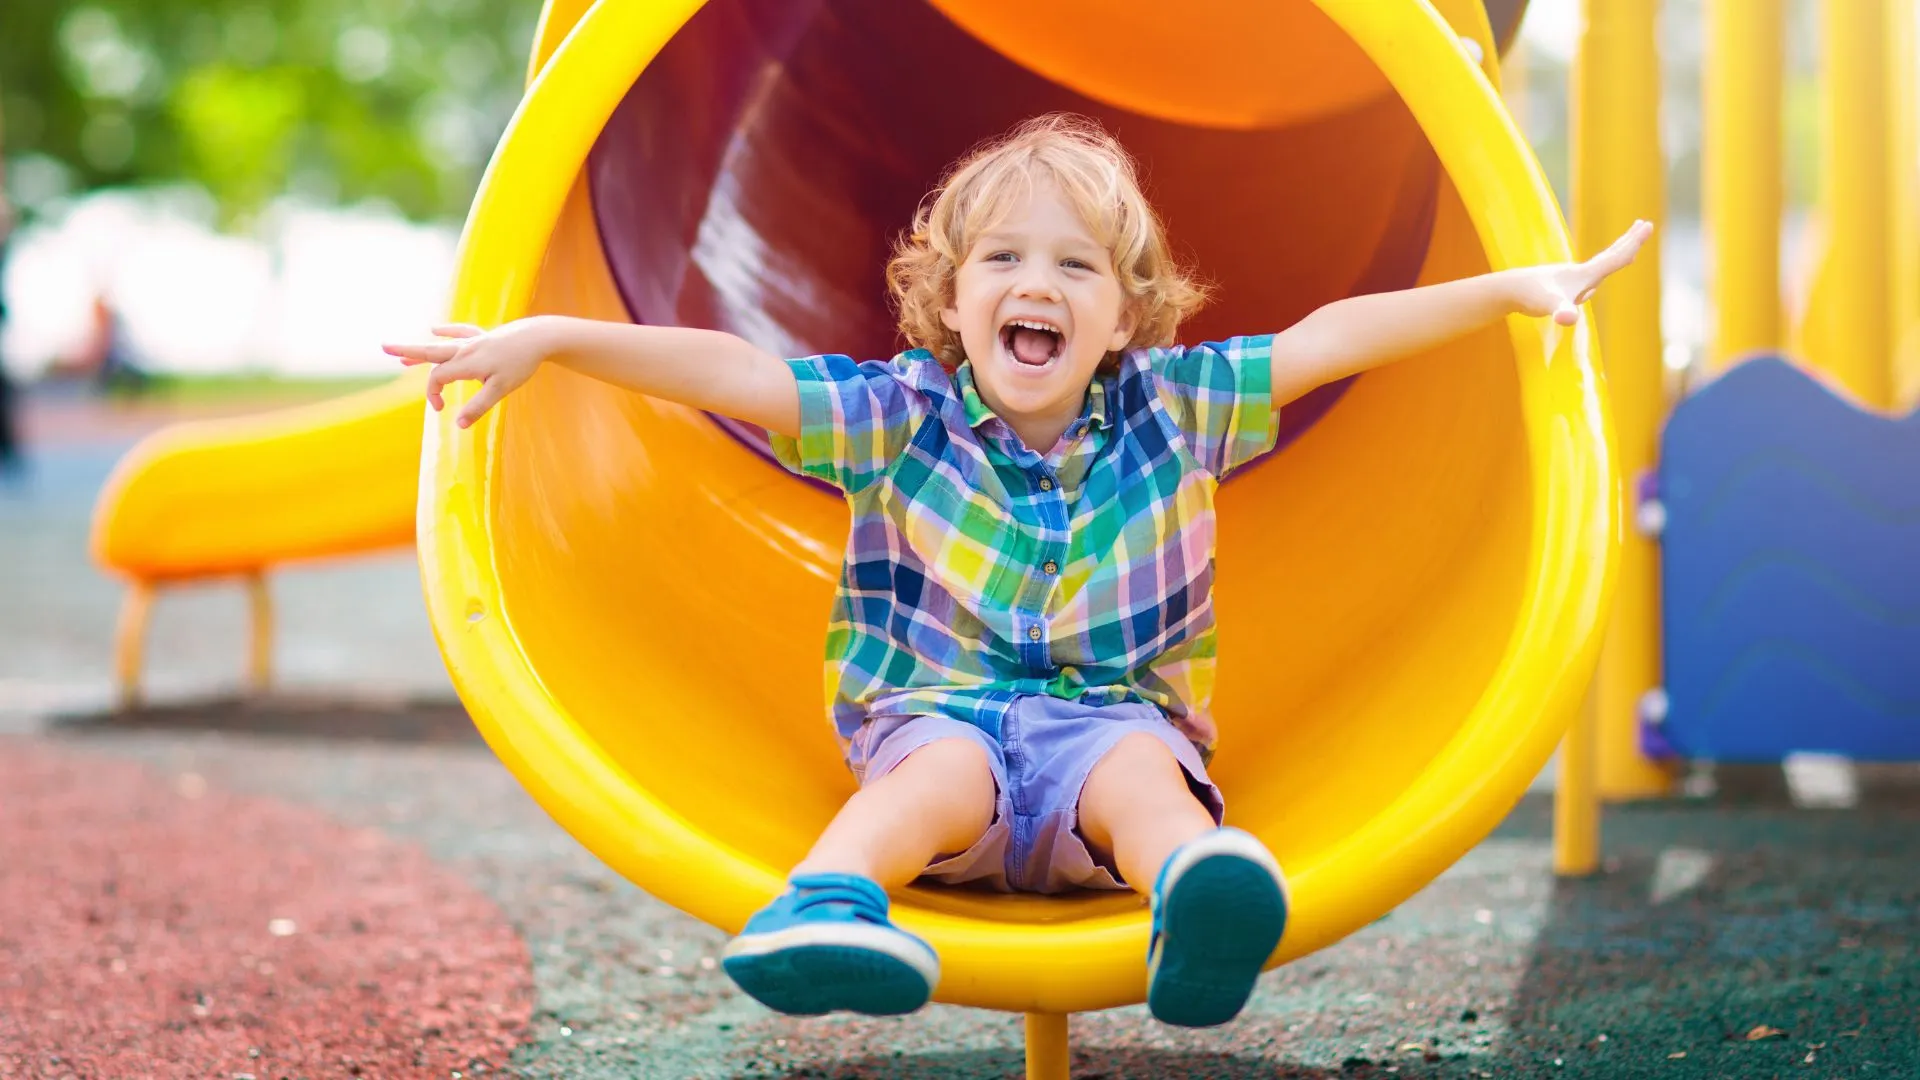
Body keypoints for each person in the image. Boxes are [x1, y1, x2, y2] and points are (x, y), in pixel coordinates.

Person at [386, 114, 1649, 1028]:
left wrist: (1509, 290)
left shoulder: (1179, 403)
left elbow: (1333, 339)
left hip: (1109, 728)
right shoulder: (898, 411)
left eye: (1075, 267)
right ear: (949, 298)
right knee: (935, 765)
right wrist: (548, 337)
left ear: (1125, 316)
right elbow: (733, 372)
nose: (1034, 285)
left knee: (1145, 775)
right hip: (941, 730)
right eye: (1001, 260)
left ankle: (1197, 896)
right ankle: (826, 905)